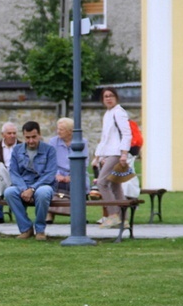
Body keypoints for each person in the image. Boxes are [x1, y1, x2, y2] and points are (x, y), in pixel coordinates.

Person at [3, 121, 57, 241]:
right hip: (23, 184)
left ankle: (40, 230)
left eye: (34, 137)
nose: (31, 141)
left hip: (43, 184)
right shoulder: (17, 150)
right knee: (9, 192)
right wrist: (24, 189)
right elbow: (14, 172)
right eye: (27, 138)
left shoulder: (49, 150)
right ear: (23, 136)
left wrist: (32, 189)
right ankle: (26, 228)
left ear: (39, 135)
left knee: (43, 193)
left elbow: (50, 174)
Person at [92, 87, 132, 229]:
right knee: (115, 185)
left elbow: (127, 134)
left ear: (116, 97)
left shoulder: (119, 112)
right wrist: (98, 156)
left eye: (111, 96)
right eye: (105, 96)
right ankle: (124, 219)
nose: (108, 98)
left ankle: (113, 215)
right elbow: (105, 138)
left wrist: (124, 154)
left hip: (117, 153)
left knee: (102, 183)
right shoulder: (108, 114)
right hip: (110, 153)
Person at [47, 117, 89, 223]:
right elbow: (50, 162)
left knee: (79, 183)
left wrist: (73, 176)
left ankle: (78, 215)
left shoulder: (82, 142)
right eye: (58, 129)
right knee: (50, 183)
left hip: (76, 172)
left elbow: (84, 162)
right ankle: (49, 214)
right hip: (57, 172)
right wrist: (57, 174)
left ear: (70, 131)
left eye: (61, 129)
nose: (58, 131)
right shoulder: (53, 141)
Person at [0, 122, 20, 223]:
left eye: (14, 133)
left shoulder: (21, 146)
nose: (12, 136)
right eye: (9, 133)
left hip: (17, 176)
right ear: (3, 135)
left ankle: (20, 215)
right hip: (1, 177)